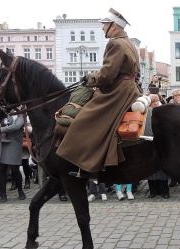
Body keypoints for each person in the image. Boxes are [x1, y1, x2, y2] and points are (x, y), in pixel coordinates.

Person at [57, 8, 142, 178]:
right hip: (130, 88)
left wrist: (90, 79)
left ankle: (89, 166)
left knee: (84, 119)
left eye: (105, 25)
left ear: (114, 26)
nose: (103, 28)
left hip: (118, 91)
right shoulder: (129, 44)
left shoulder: (115, 43)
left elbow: (107, 75)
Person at [0, 112, 25, 203]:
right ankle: (3, 194)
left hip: (14, 143)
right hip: (2, 143)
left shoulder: (21, 115)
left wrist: (0, 129)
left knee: (15, 168)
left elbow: (17, 126)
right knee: (2, 168)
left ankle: (20, 191)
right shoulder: (2, 114)